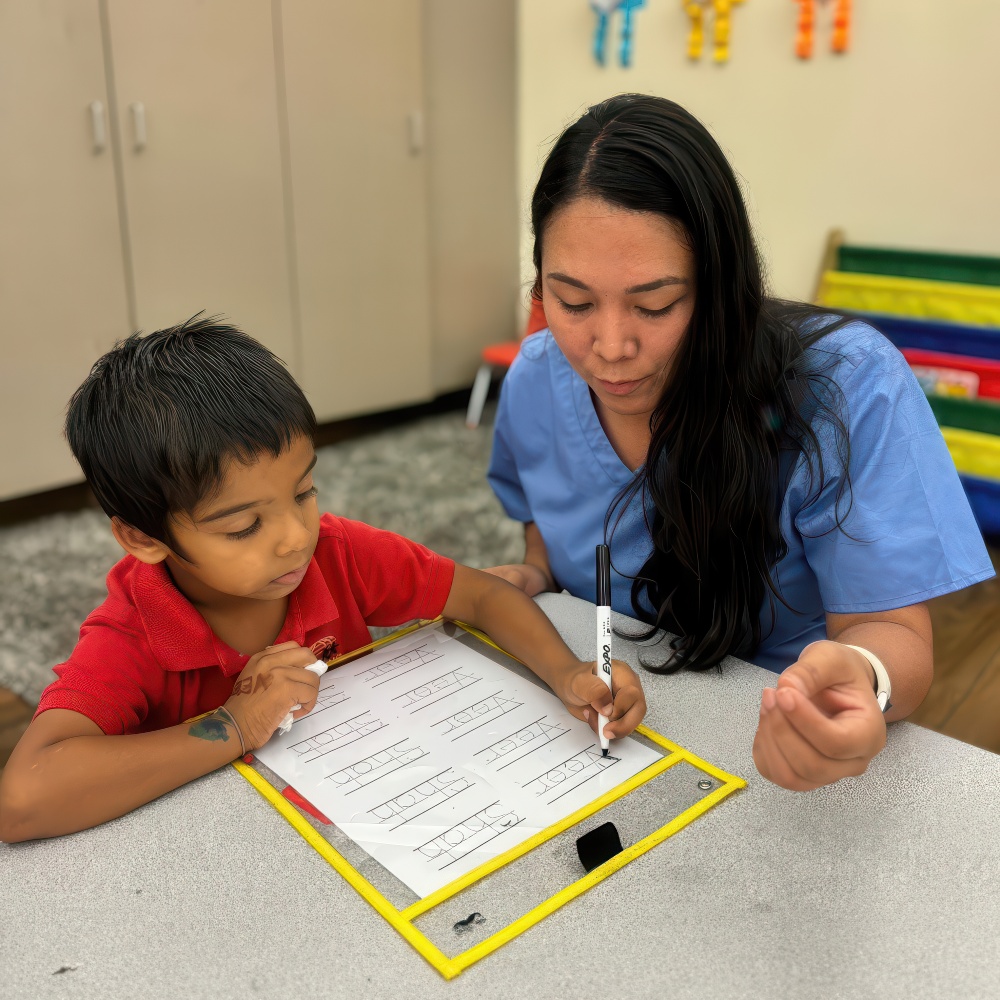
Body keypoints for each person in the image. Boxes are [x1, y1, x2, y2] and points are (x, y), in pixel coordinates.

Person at [486, 94, 995, 792]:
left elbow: (893, 635)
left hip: (779, 732)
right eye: (571, 302)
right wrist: (535, 573)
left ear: (721, 286)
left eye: (655, 305)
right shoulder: (535, 382)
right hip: (604, 731)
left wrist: (861, 681)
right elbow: (549, 521)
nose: (609, 348)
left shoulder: (843, 387)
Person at [0, 317, 646, 843]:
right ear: (143, 538)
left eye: (303, 491)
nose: (294, 536)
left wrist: (567, 674)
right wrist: (238, 723)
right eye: (242, 526)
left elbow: (480, 592)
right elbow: (25, 799)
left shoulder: (336, 553)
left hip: (360, 824)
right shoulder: (134, 632)